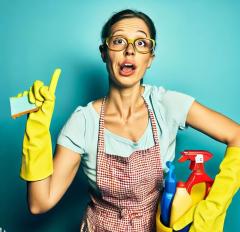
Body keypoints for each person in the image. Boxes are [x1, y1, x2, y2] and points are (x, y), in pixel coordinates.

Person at [19, 9, 240, 232]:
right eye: (118, 41)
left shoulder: (167, 105)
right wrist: (37, 133)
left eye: (141, 43)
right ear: (104, 53)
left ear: (150, 58)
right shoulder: (83, 122)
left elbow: (236, 135)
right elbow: (39, 203)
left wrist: (214, 206)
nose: (130, 50)